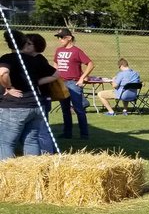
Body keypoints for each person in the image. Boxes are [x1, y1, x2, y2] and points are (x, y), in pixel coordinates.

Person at [0, 29, 59, 159]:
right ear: (24, 44)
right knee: (31, 141)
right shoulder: (35, 59)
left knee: (6, 143)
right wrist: (36, 83)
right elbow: (56, 74)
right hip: (36, 105)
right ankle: (34, 170)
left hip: (15, 106)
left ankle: (7, 170)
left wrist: (9, 87)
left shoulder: (7, 58)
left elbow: (3, 73)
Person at [52, 28, 93, 140]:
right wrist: (55, 77)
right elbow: (55, 63)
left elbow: (90, 64)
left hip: (73, 83)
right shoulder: (58, 50)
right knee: (65, 110)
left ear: (69, 38)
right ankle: (67, 133)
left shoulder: (77, 51)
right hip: (61, 83)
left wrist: (82, 78)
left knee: (79, 109)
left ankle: (84, 134)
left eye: (62, 37)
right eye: (58, 37)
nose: (60, 39)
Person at [27, 33, 56, 154]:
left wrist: (37, 82)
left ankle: (47, 154)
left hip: (42, 97)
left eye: (29, 43)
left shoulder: (39, 59)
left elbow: (55, 74)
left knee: (42, 129)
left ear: (36, 46)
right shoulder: (28, 59)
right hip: (34, 98)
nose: (25, 45)